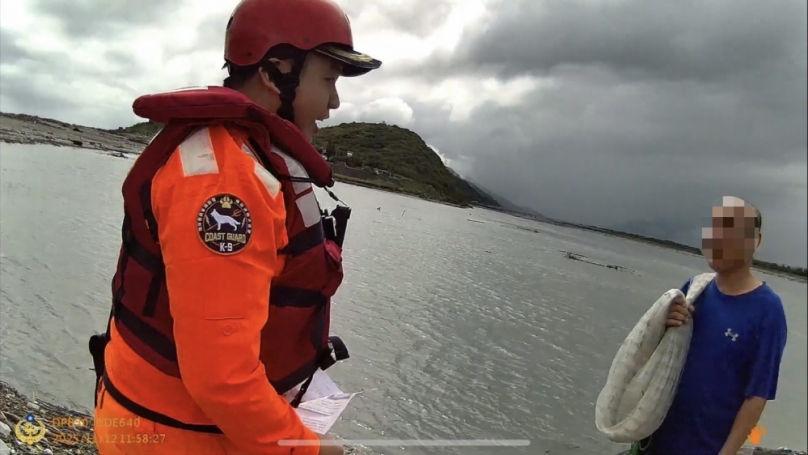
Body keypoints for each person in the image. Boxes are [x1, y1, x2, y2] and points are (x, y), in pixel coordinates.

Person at [87, 0, 381, 454]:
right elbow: (220, 378)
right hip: (176, 439)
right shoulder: (225, 182)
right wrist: (308, 448)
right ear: (275, 72)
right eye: (328, 80)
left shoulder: (241, 155)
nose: (334, 102)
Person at [638, 196, 789, 455]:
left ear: (755, 241)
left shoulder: (768, 310)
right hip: (655, 442)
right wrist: (664, 324)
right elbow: (657, 358)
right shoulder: (694, 290)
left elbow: (756, 396)